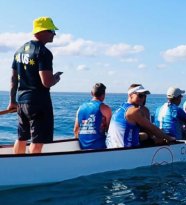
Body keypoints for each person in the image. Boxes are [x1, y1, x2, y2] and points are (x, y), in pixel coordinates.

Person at [7, 17, 61, 154]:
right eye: (52, 30)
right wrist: (55, 79)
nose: (54, 34)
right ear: (42, 31)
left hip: (22, 100)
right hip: (39, 102)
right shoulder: (43, 52)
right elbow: (46, 82)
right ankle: (30, 172)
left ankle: (17, 166)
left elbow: (14, 78)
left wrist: (13, 101)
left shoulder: (19, 51)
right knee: (37, 141)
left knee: (21, 138)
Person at [106, 84, 175, 148]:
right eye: (140, 95)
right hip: (126, 150)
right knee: (160, 139)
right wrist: (169, 138)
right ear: (130, 95)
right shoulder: (134, 111)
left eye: (144, 96)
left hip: (112, 146)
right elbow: (153, 130)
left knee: (144, 135)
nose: (143, 99)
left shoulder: (120, 108)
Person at [74, 83, 112, 150]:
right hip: (100, 147)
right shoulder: (105, 108)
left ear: (92, 93)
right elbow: (110, 130)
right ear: (104, 95)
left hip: (82, 146)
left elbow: (75, 130)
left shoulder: (80, 107)